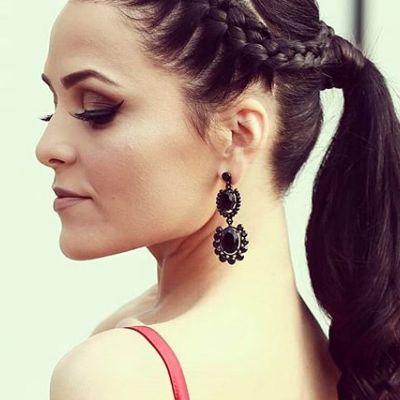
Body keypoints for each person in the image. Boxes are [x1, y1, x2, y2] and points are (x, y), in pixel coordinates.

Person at [36, 0, 400, 399]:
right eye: (51, 110)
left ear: (238, 135)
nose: (47, 148)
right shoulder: (332, 360)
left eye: (96, 109)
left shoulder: (120, 375)